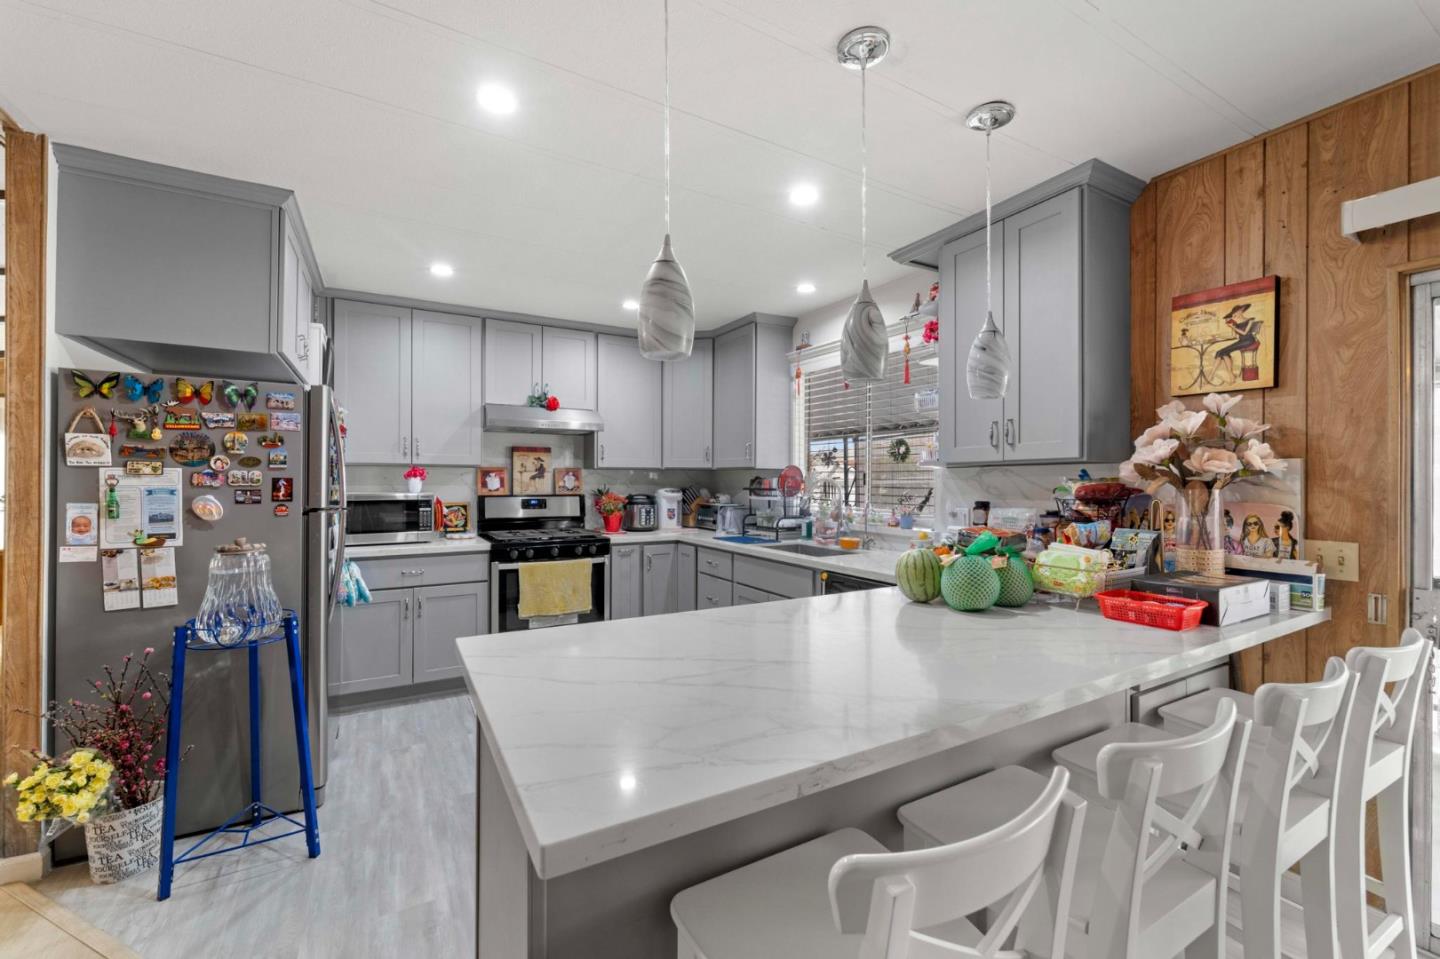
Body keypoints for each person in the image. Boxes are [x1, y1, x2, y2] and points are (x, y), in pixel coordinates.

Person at [1214, 303, 1263, 383]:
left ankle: (1229, 376)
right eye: (1234, 313)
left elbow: (1244, 333)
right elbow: (1235, 336)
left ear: (1241, 311)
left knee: (1222, 352)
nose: (1235, 314)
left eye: (1236, 312)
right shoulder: (1236, 323)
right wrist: (1231, 326)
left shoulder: (1250, 320)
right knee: (1221, 352)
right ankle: (1230, 375)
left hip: (1249, 340)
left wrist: (1233, 327)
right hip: (1241, 341)